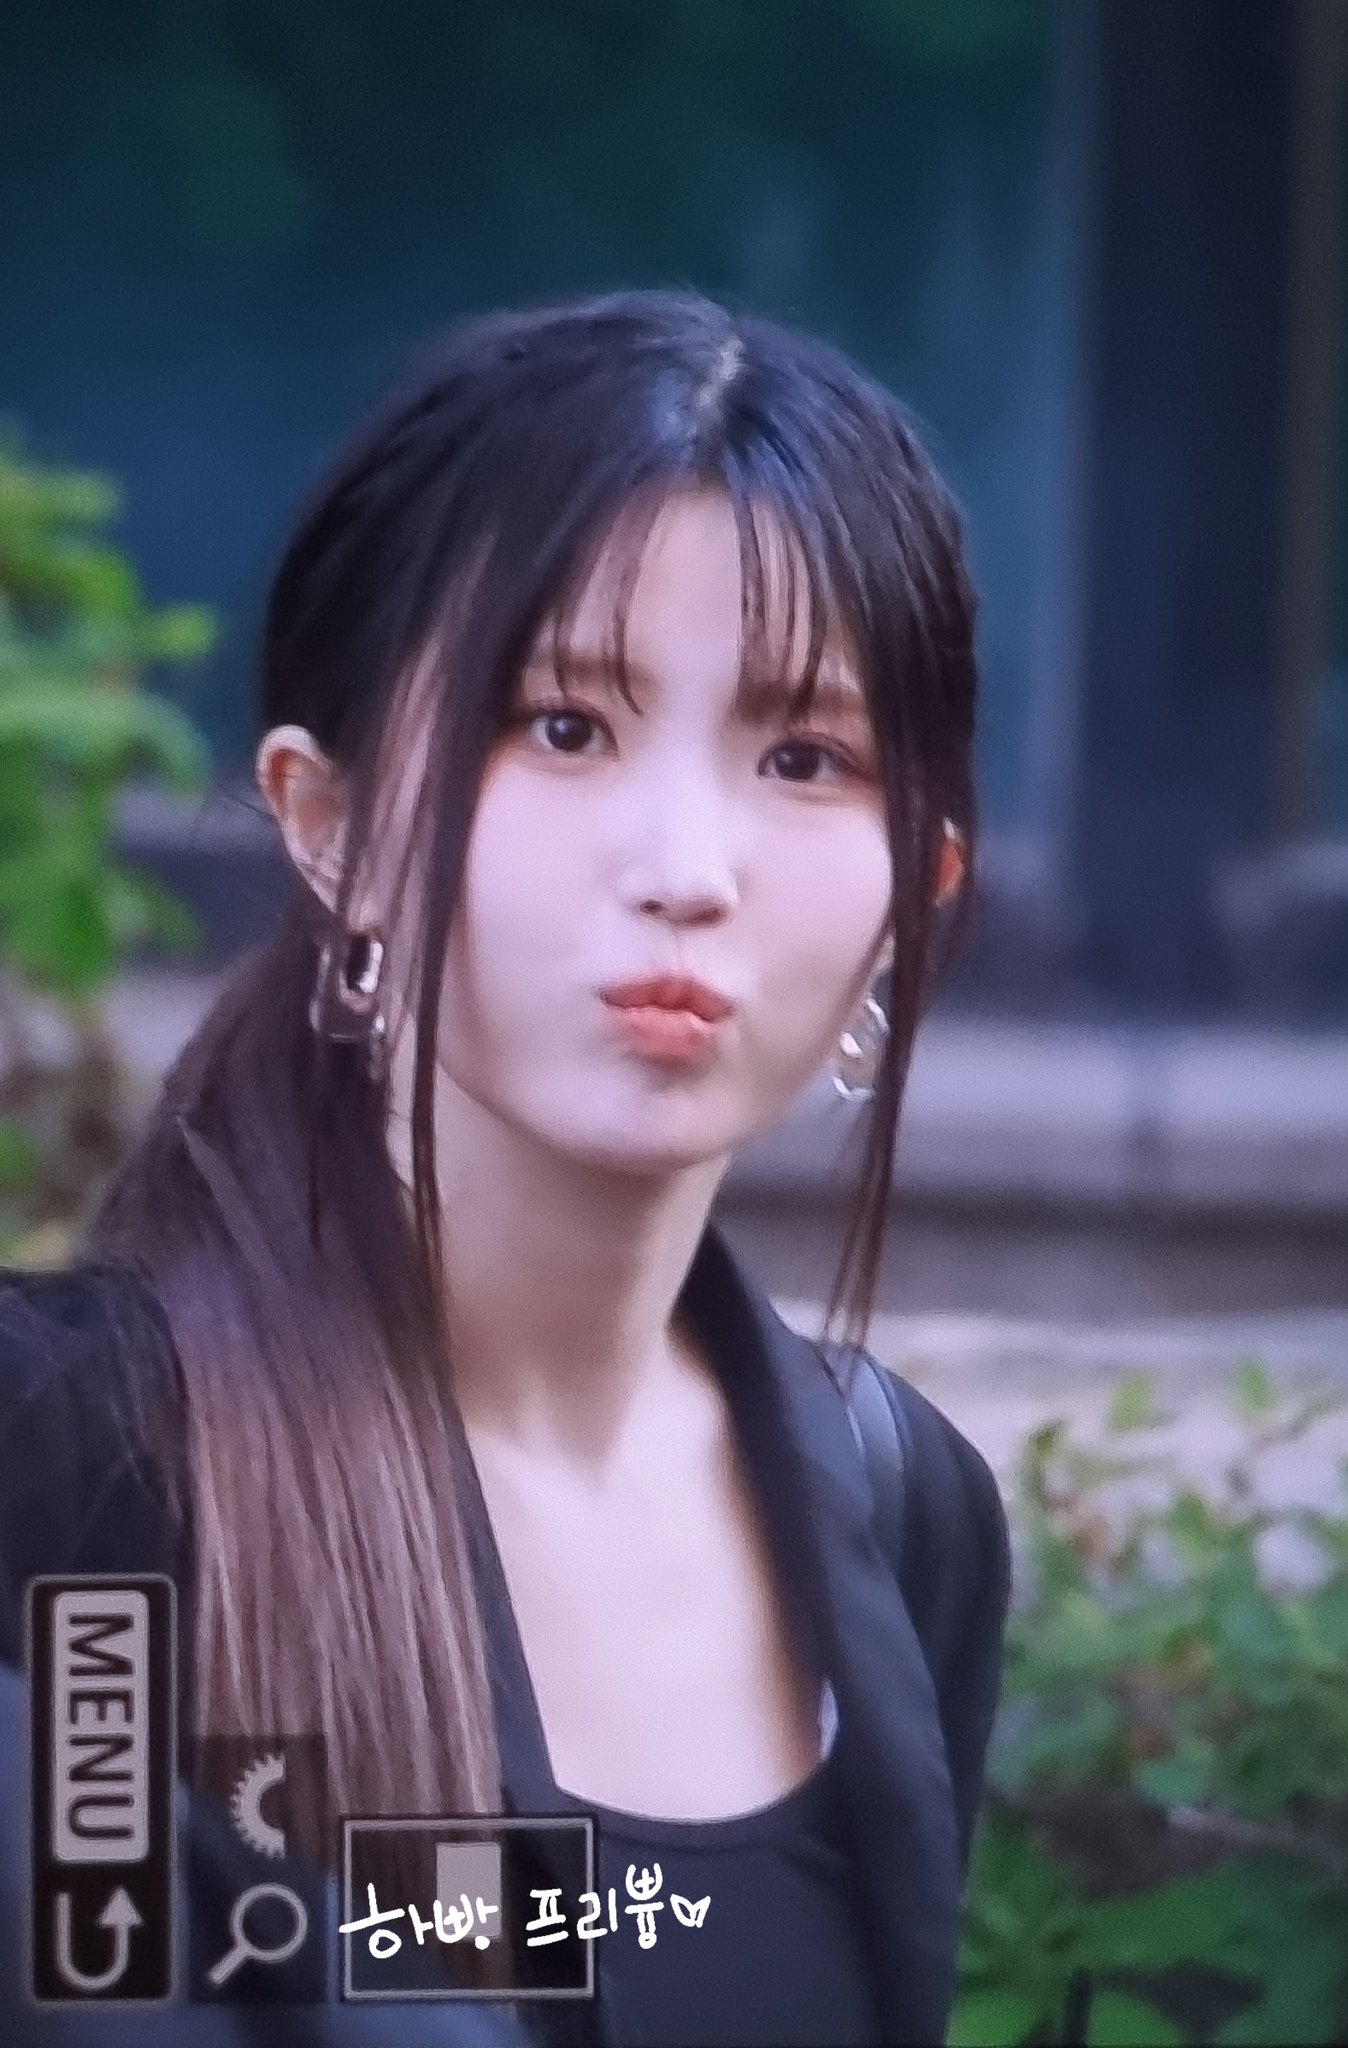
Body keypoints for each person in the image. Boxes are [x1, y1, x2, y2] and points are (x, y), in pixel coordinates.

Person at [0, 289, 1010, 2047]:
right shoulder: (82, 1463)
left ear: (915, 894)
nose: (686, 866)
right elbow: (104, 1977)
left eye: (802, 757)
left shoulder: (902, 1509)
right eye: (563, 725)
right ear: (328, 825)